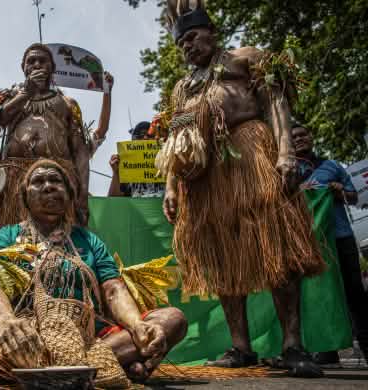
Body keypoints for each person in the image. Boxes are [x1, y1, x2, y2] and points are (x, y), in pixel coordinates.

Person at [156, 0, 326, 377]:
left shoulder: (243, 58)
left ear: (212, 32)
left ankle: (293, 345)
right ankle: (240, 346)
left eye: (193, 36)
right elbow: (175, 139)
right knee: (221, 257)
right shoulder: (183, 88)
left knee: (276, 247)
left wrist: (284, 152)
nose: (187, 45)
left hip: (251, 154)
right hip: (204, 178)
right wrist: (171, 186)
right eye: (181, 41)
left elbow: (275, 101)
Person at [0, 159, 187, 385]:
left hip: (89, 340)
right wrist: (7, 323)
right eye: (38, 182)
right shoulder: (7, 237)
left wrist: (136, 326)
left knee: (172, 320)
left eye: (56, 181)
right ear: (25, 197)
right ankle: (88, 370)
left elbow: (113, 289)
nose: (48, 186)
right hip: (28, 336)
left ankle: (41, 372)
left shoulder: (89, 241)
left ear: (69, 195)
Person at [0, 43, 92, 227]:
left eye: (43, 61)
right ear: (24, 68)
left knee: (58, 242)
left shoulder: (67, 103)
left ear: (53, 68)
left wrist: (81, 197)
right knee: (13, 243)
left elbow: (80, 153)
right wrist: (25, 94)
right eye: (31, 61)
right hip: (15, 180)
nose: (37, 65)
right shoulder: (9, 98)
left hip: (57, 178)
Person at [294, 124, 368, 366]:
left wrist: (339, 191)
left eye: (303, 135)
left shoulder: (332, 166)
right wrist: (300, 193)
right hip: (310, 243)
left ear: (311, 137)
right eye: (293, 137)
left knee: (354, 293)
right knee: (318, 296)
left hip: (341, 237)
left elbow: (354, 197)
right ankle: (326, 350)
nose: (299, 140)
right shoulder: (288, 171)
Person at [108, 121, 166, 198]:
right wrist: (116, 173)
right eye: (141, 135)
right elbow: (113, 202)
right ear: (133, 142)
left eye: (150, 135)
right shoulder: (127, 170)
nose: (145, 138)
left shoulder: (167, 162)